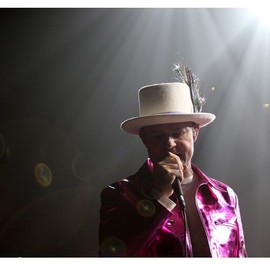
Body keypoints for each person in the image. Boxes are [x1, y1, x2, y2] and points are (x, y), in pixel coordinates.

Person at [98, 65, 247, 257]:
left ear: (195, 133)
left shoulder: (225, 196)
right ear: (144, 140)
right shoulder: (120, 195)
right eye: (158, 137)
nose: (169, 143)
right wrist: (159, 195)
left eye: (178, 133)